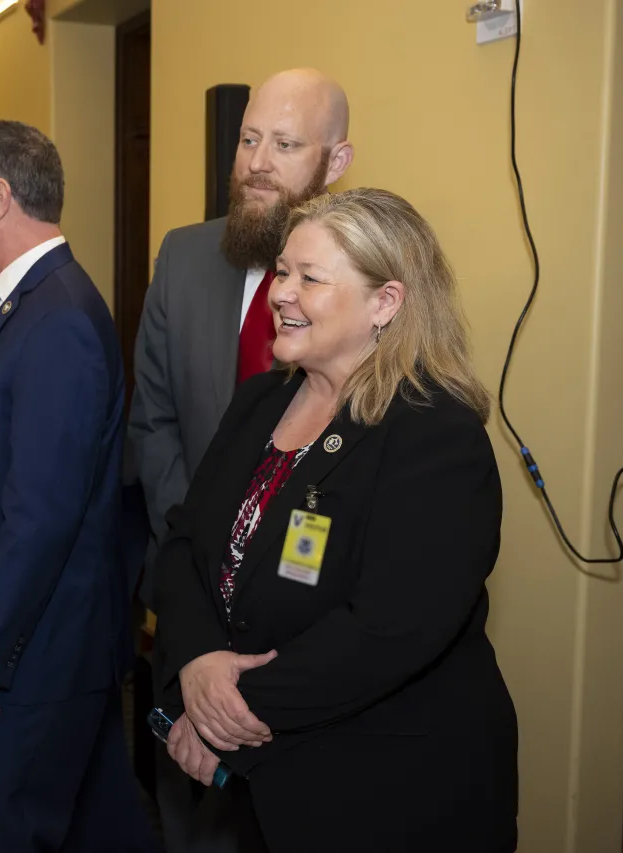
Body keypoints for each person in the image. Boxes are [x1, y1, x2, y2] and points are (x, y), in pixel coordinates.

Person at [153, 188, 519, 853]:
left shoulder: (434, 434)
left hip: (388, 788)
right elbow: (184, 545)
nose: (281, 294)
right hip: (265, 786)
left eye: (310, 278)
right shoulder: (262, 400)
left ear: (386, 302)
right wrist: (198, 659)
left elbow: (390, 629)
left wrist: (224, 712)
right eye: (282, 272)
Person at [0, 120, 156, 853]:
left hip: (28, 659)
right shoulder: (30, 304)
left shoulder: (57, 320)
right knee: (92, 824)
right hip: (41, 651)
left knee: (5, 832)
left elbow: (41, 515)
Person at [128, 67, 354, 851]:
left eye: (285, 144)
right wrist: (201, 564)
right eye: (249, 139)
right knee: (194, 821)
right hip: (189, 610)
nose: (257, 160)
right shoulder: (185, 257)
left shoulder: (369, 289)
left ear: (336, 161)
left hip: (306, 640)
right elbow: (153, 422)